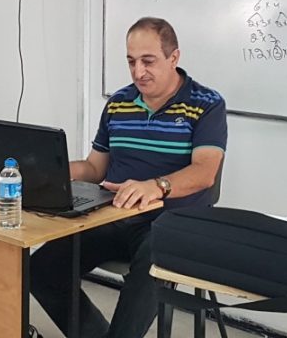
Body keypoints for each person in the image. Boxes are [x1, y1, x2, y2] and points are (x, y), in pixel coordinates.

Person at [30, 17, 227, 337]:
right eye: (131, 61)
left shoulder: (206, 104)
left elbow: (205, 173)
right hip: (115, 214)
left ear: (174, 58)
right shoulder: (119, 103)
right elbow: (95, 168)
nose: (138, 72)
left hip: (174, 222)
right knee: (41, 270)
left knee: (152, 262)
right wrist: (53, 171)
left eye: (148, 61)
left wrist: (157, 186)